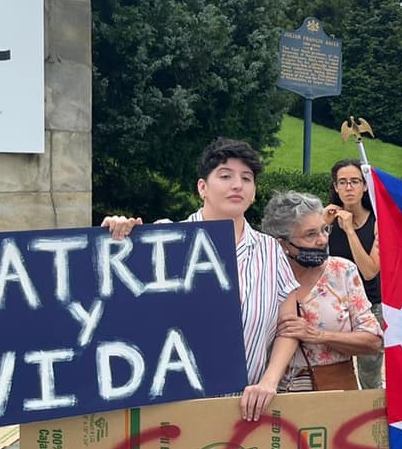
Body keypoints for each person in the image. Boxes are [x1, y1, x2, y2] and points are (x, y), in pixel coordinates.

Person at [100, 138, 299, 422]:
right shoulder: (165, 240)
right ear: (202, 187)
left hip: (248, 409)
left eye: (246, 178)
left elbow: (288, 327)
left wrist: (269, 381)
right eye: (225, 176)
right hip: (172, 411)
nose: (237, 185)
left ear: (254, 192)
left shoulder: (271, 250)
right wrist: (115, 238)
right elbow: (117, 307)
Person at [258, 191, 383, 393]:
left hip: (334, 393)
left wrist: (319, 335)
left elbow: (373, 341)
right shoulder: (262, 277)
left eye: (325, 230)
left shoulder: (342, 271)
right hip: (272, 398)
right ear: (282, 244)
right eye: (311, 234)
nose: (323, 240)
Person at [326, 159, 383, 390]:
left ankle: (371, 420)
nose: (349, 188)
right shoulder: (326, 220)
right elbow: (311, 262)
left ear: (365, 186)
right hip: (334, 305)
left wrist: (350, 230)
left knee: (370, 374)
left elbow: (370, 271)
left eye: (355, 181)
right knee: (335, 369)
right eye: (343, 182)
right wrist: (323, 227)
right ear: (336, 187)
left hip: (370, 305)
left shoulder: (378, 222)